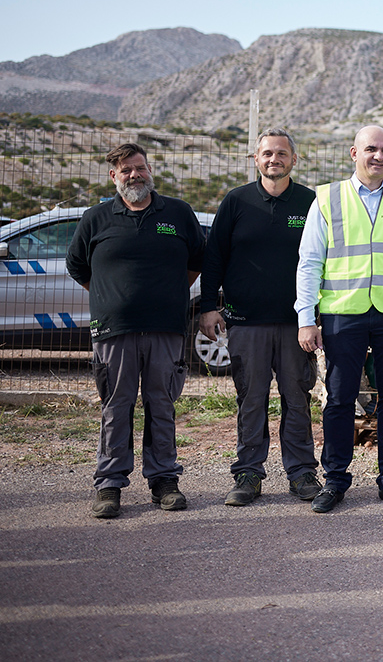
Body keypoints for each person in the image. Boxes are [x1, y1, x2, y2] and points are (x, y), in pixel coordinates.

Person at [67, 143, 205, 519]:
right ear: (114, 176)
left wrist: (169, 294)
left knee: (161, 405)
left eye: (140, 168)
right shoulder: (96, 218)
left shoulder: (177, 213)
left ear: (149, 170)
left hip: (167, 329)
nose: (135, 175)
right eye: (126, 170)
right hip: (114, 331)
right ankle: (109, 485)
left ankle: (164, 481)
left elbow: (196, 261)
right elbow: (79, 267)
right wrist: (113, 296)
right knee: (117, 406)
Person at [295, 125, 383, 513]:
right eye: (371, 149)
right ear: (354, 153)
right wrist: (306, 316)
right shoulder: (327, 198)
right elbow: (309, 262)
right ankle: (335, 480)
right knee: (338, 399)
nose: (379, 157)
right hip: (341, 314)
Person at [198, 128, 321, 507]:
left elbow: (322, 261)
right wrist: (207, 307)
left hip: (294, 323)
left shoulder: (310, 202)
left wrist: (316, 317)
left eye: (282, 153)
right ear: (256, 159)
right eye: (267, 153)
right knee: (250, 399)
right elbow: (213, 257)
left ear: (294, 160)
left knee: (296, 399)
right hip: (245, 322)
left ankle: (302, 473)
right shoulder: (235, 202)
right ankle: (248, 473)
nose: (274, 159)